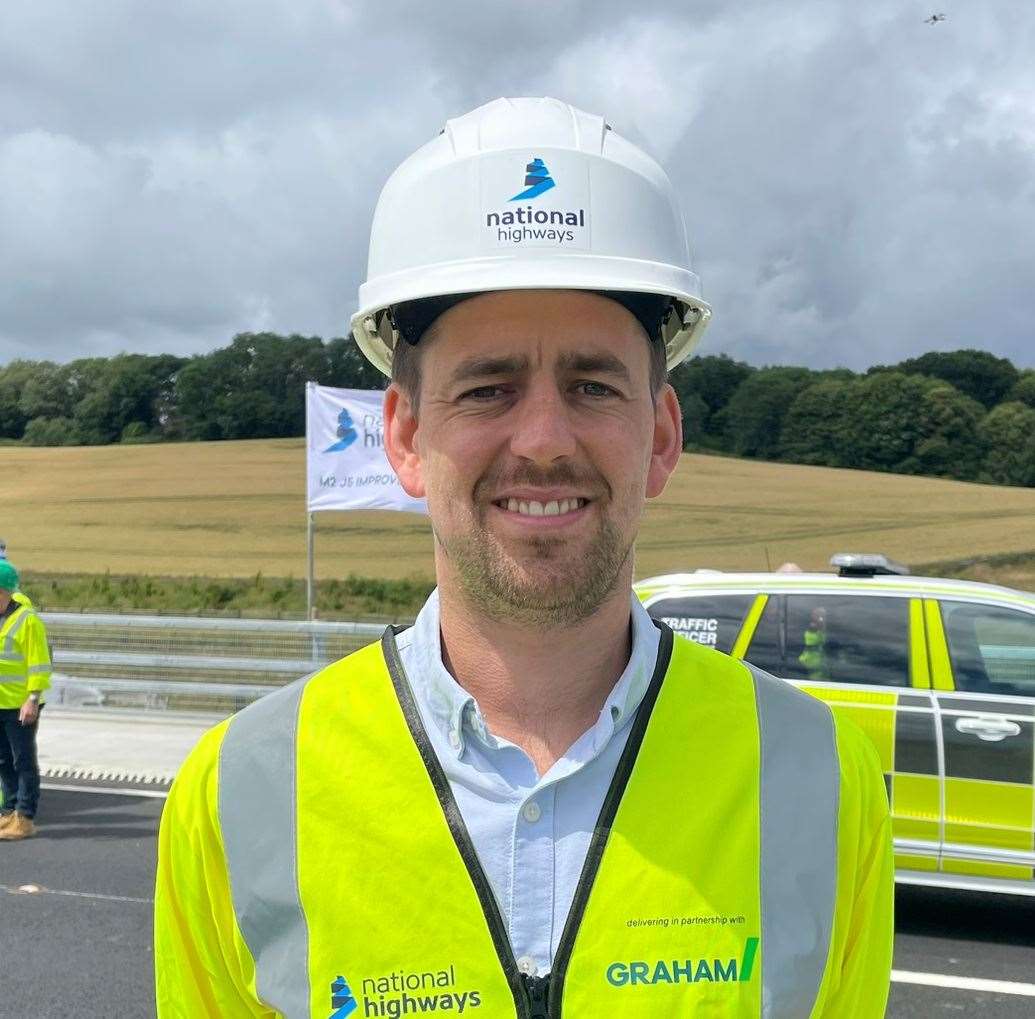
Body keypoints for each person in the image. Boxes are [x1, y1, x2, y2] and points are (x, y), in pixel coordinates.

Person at [155, 97, 893, 1017]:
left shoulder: (820, 776)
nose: (542, 438)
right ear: (405, 434)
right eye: (487, 388)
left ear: (659, 435)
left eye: (591, 384)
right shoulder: (238, 787)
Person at [0, 560, 52, 841]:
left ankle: (25, 817)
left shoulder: (27, 621)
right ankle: (7, 813)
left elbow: (39, 664)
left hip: (20, 704)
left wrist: (32, 699)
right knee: (3, 761)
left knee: (23, 761)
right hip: (0, 703)